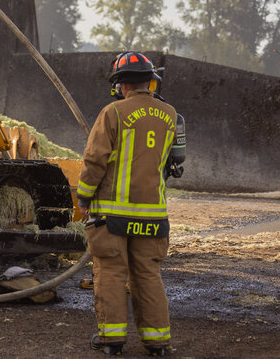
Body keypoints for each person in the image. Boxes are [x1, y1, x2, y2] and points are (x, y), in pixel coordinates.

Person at [76, 51, 176, 357]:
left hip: (112, 217)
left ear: (122, 86)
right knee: (148, 275)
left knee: (110, 273)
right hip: (153, 216)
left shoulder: (113, 113)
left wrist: (83, 197)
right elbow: (171, 161)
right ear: (150, 81)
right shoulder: (171, 115)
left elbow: (95, 161)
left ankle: (112, 341)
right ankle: (158, 342)